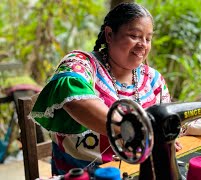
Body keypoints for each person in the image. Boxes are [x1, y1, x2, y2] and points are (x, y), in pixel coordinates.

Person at [30, 2, 181, 176]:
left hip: (133, 170)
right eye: (134, 36)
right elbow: (71, 95)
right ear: (109, 35)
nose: (143, 45)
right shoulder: (81, 64)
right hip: (82, 175)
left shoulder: (153, 80)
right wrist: (136, 133)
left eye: (148, 39)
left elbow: (167, 122)